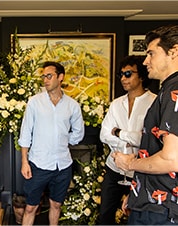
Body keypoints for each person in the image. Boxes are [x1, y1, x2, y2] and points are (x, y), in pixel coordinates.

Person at [112, 24, 178, 224]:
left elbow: (171, 159)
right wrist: (136, 193)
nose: (146, 61)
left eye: (151, 54)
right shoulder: (166, 92)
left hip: (161, 209)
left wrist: (129, 163)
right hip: (150, 203)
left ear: (173, 52)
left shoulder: (173, 92)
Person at [18, 61, 85, 225]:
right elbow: (25, 132)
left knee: (56, 205)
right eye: (43, 76)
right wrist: (24, 162)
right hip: (38, 164)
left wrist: (62, 140)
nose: (45, 80)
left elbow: (79, 133)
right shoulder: (34, 102)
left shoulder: (72, 105)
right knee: (30, 207)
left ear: (60, 77)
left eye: (49, 76)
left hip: (63, 166)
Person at [99, 55, 156, 224]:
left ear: (142, 76)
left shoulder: (154, 103)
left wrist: (120, 133)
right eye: (121, 75)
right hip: (114, 167)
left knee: (137, 216)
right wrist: (130, 140)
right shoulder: (116, 104)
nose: (123, 78)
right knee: (105, 215)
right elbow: (104, 134)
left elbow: (148, 140)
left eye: (128, 74)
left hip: (141, 170)